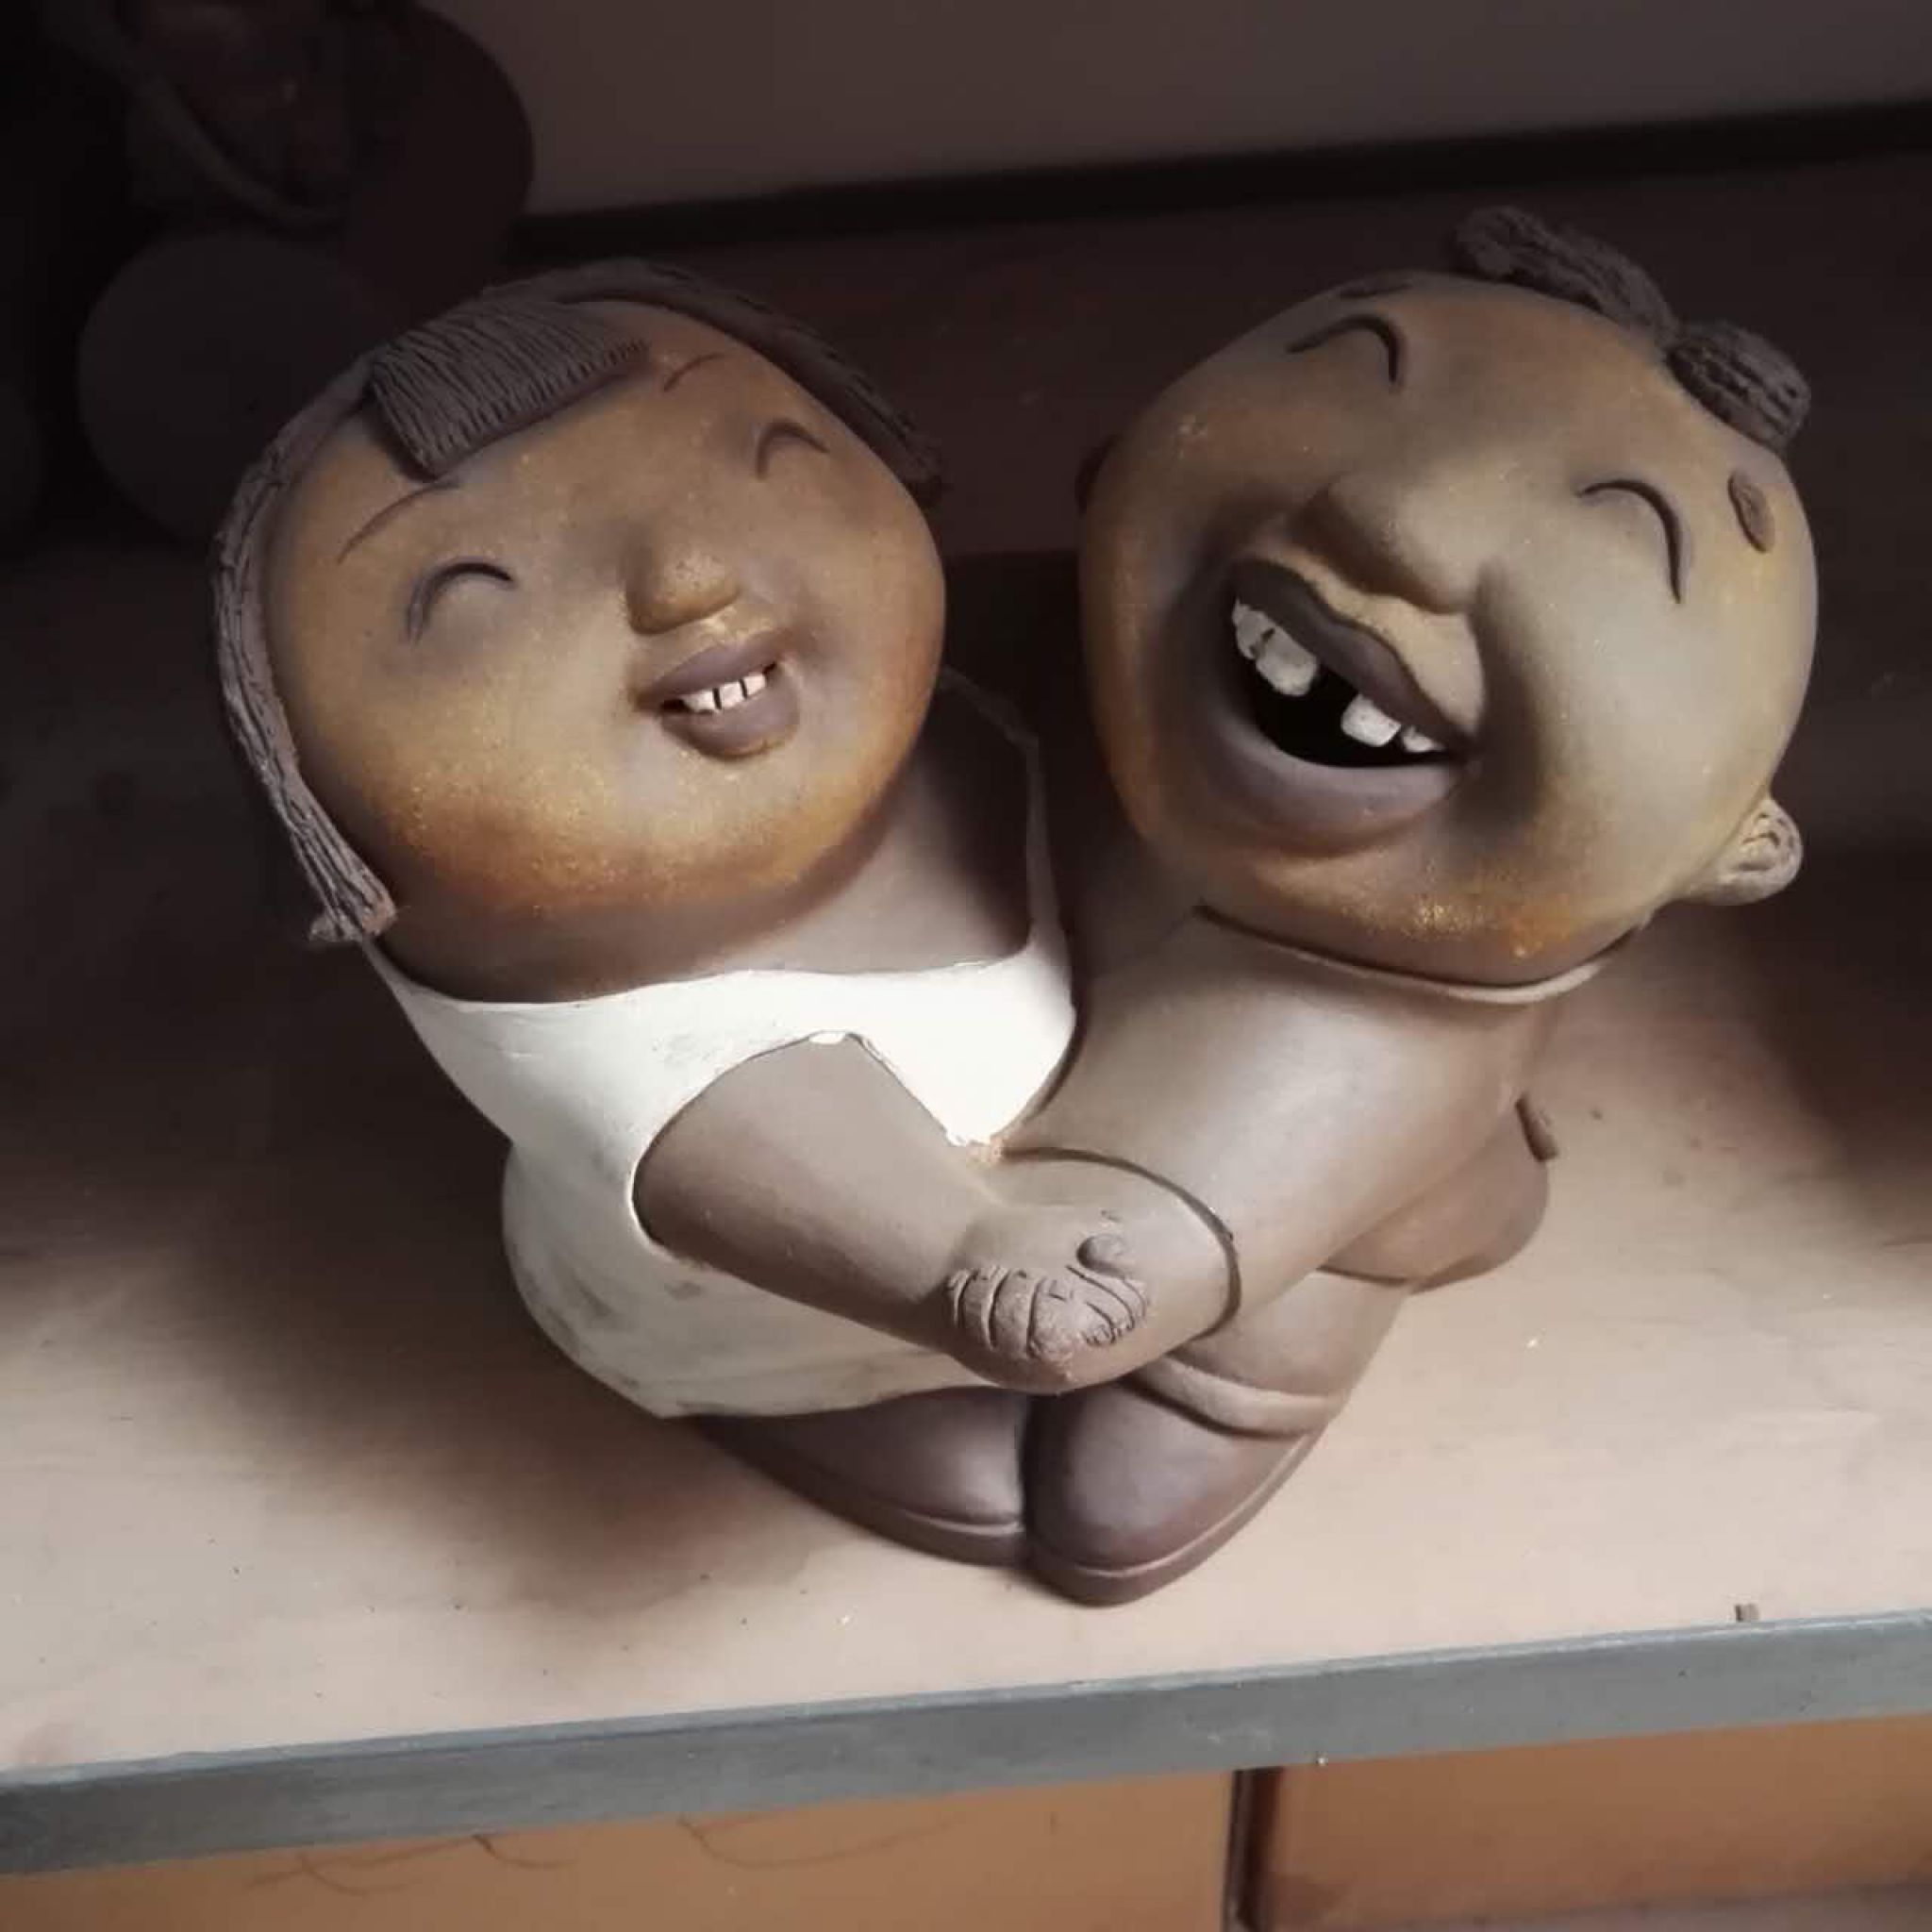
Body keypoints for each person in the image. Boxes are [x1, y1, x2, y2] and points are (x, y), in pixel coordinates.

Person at [213, 259, 1228, 1567]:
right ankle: (814, 1408)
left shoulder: (889, 721)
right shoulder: (664, 1050)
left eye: (762, 459)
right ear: (307, 788)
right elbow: (831, 1185)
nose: (690, 576)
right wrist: (975, 1257)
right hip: (779, 1310)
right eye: (477, 595)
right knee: (871, 1379)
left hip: (1094, 1166)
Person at [983, 208, 1818, 1600]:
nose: (1393, 520)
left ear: (1732, 847)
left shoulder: (1381, 1039)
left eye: (1624, 539)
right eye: (1368, 377)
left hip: (1284, 1230)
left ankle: (1242, 1391)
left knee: (1190, 1399)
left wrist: (866, 1276)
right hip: (1024, 1039)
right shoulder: (1054, 669)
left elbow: (1120, 1269)